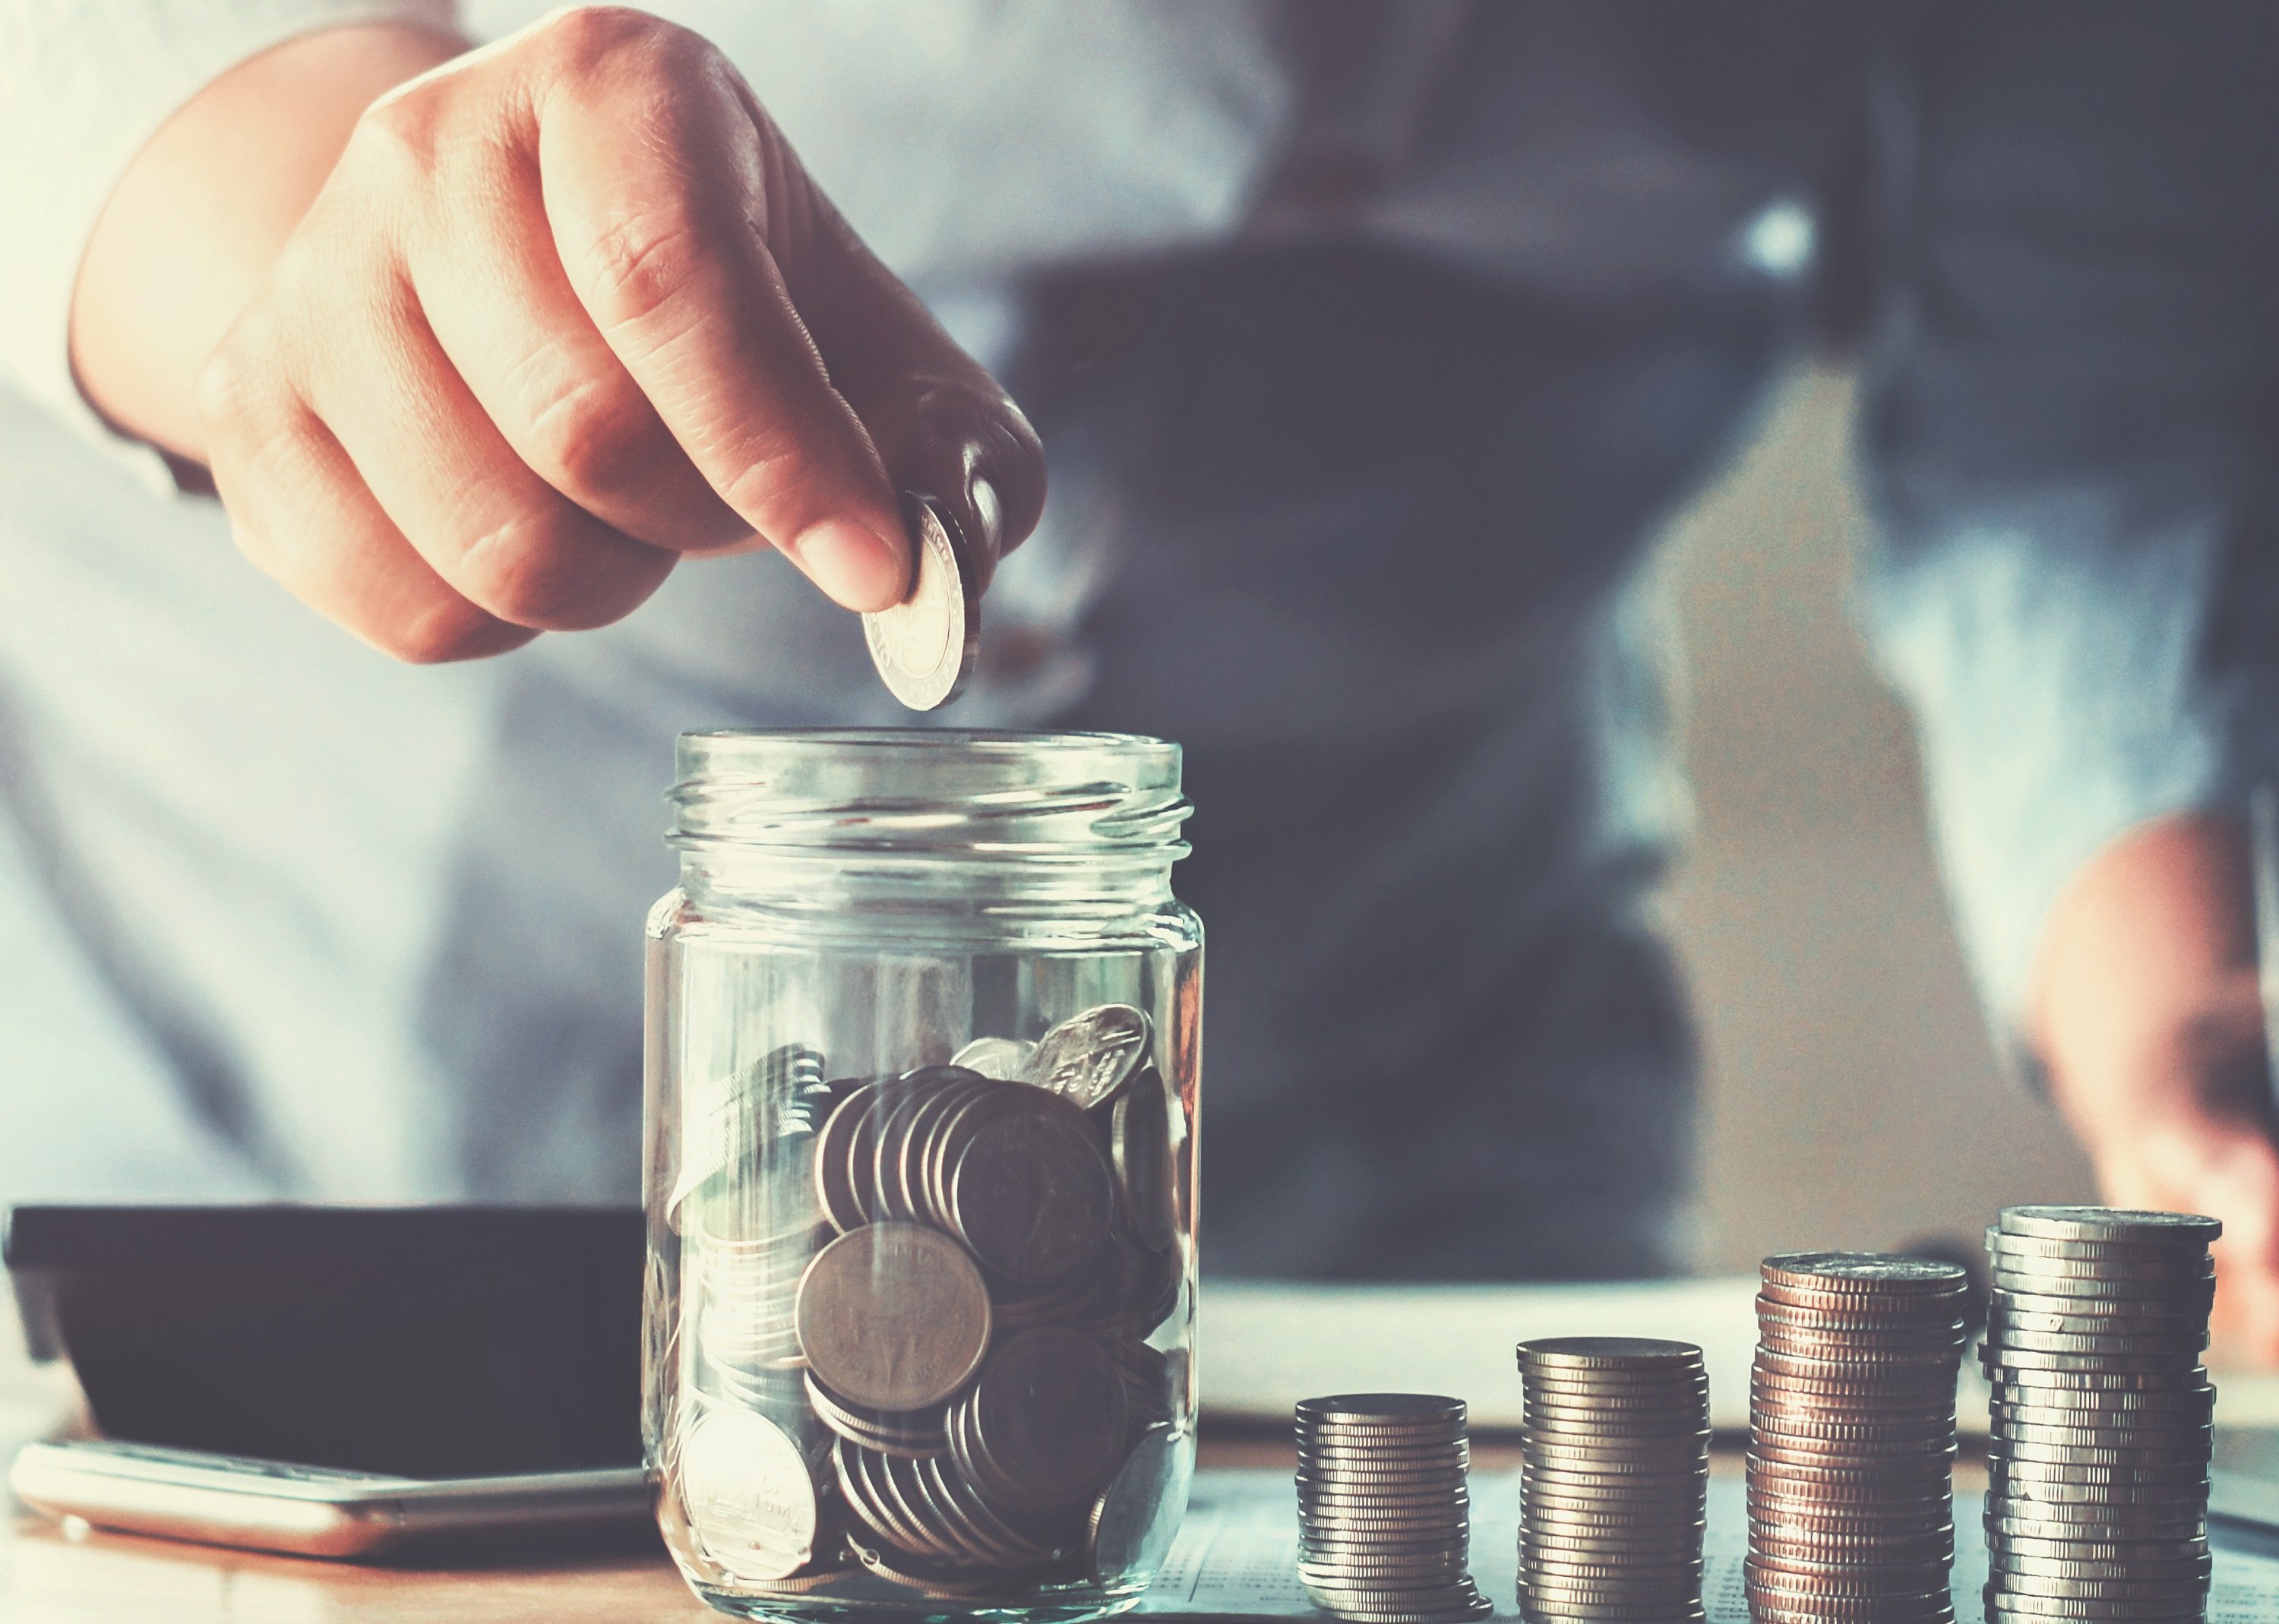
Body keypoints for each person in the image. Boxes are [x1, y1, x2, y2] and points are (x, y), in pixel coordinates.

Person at [4, 3, 2279, 1341]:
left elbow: (2100, 346)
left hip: (1385, 1056)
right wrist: (283, 216)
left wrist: (2178, 1042)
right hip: (260, 996)